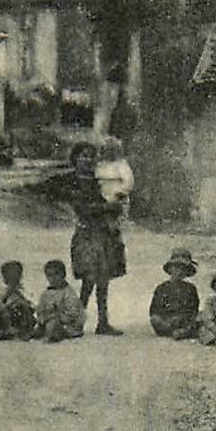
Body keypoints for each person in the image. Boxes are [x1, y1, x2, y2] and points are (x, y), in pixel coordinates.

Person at [62, 142, 126, 335]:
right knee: (89, 278)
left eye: (90, 156)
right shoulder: (72, 181)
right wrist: (107, 207)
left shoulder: (99, 180)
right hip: (87, 233)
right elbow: (82, 209)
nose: (87, 160)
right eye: (82, 156)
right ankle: (78, 321)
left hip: (104, 233)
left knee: (103, 278)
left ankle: (102, 321)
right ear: (75, 159)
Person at [149, 247, 201, 339]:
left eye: (183, 269)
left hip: (183, 320)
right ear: (170, 269)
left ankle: (183, 332)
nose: (179, 271)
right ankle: (175, 332)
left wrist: (182, 318)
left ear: (187, 272)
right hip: (167, 320)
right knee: (155, 320)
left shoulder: (191, 288)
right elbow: (154, 311)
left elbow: (193, 310)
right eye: (176, 268)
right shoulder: (161, 288)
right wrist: (167, 319)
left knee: (199, 318)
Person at [35, 259, 85, 343]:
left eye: (56, 274)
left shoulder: (68, 293)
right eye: (50, 275)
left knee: (54, 324)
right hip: (51, 320)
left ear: (63, 275)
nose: (53, 278)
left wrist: (58, 315)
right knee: (43, 325)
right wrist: (42, 317)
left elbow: (73, 314)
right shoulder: (46, 294)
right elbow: (40, 309)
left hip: (68, 324)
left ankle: (53, 335)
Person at [0, 260, 38, 341]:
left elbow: (30, 304)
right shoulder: (2, 291)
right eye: (8, 276)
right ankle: (5, 330)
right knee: (1, 309)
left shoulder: (23, 290)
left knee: (21, 308)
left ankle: (20, 331)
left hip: (20, 315)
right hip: (7, 315)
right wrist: (7, 294)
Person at [95, 136, 135, 216]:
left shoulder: (121, 165)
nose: (109, 153)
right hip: (103, 193)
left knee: (118, 214)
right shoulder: (100, 165)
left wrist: (121, 191)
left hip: (118, 195)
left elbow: (128, 180)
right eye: (107, 150)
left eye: (112, 150)